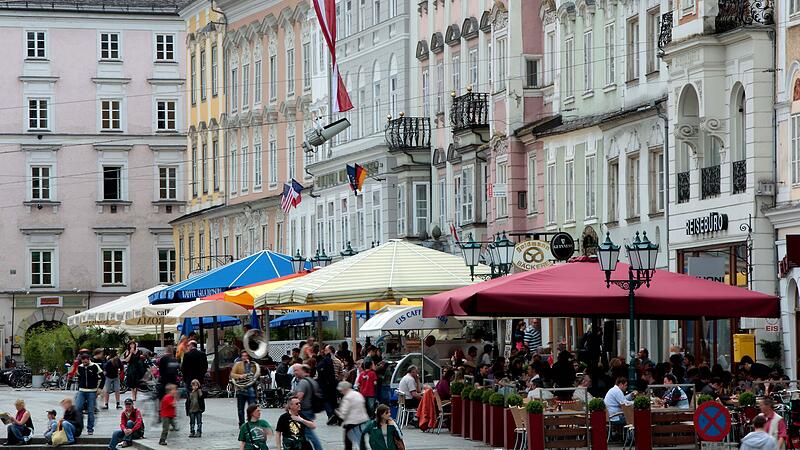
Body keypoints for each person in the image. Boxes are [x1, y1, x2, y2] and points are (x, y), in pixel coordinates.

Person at [291, 364, 324, 450]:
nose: (295, 372)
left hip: (305, 410)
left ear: (303, 371)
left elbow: (299, 397)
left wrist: (290, 407)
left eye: (297, 370)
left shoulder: (303, 382)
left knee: (309, 433)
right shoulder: (313, 381)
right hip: (311, 410)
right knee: (306, 433)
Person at [336, 381, 369, 450]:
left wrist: (339, 415)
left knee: (348, 441)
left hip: (352, 422)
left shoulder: (347, 397)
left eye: (341, 390)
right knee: (360, 440)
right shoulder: (358, 394)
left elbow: (344, 412)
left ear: (345, 389)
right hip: (362, 420)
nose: (340, 392)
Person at [76, 352, 102, 435]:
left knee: (91, 410)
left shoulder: (94, 366)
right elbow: (79, 377)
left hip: (92, 390)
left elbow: (103, 377)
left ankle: (90, 428)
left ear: (89, 360)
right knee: (78, 408)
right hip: (82, 390)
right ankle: (79, 426)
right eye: (83, 362)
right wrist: (79, 387)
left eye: (86, 362)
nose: (84, 364)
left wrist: (99, 388)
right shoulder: (80, 367)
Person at [232, 350, 259, 427]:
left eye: (246, 356)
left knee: (252, 407)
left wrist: (249, 366)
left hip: (250, 389)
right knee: (240, 409)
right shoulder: (237, 364)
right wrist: (240, 376)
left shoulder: (253, 365)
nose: (244, 357)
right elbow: (232, 374)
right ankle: (242, 424)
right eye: (243, 356)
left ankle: (252, 422)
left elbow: (256, 374)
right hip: (241, 389)